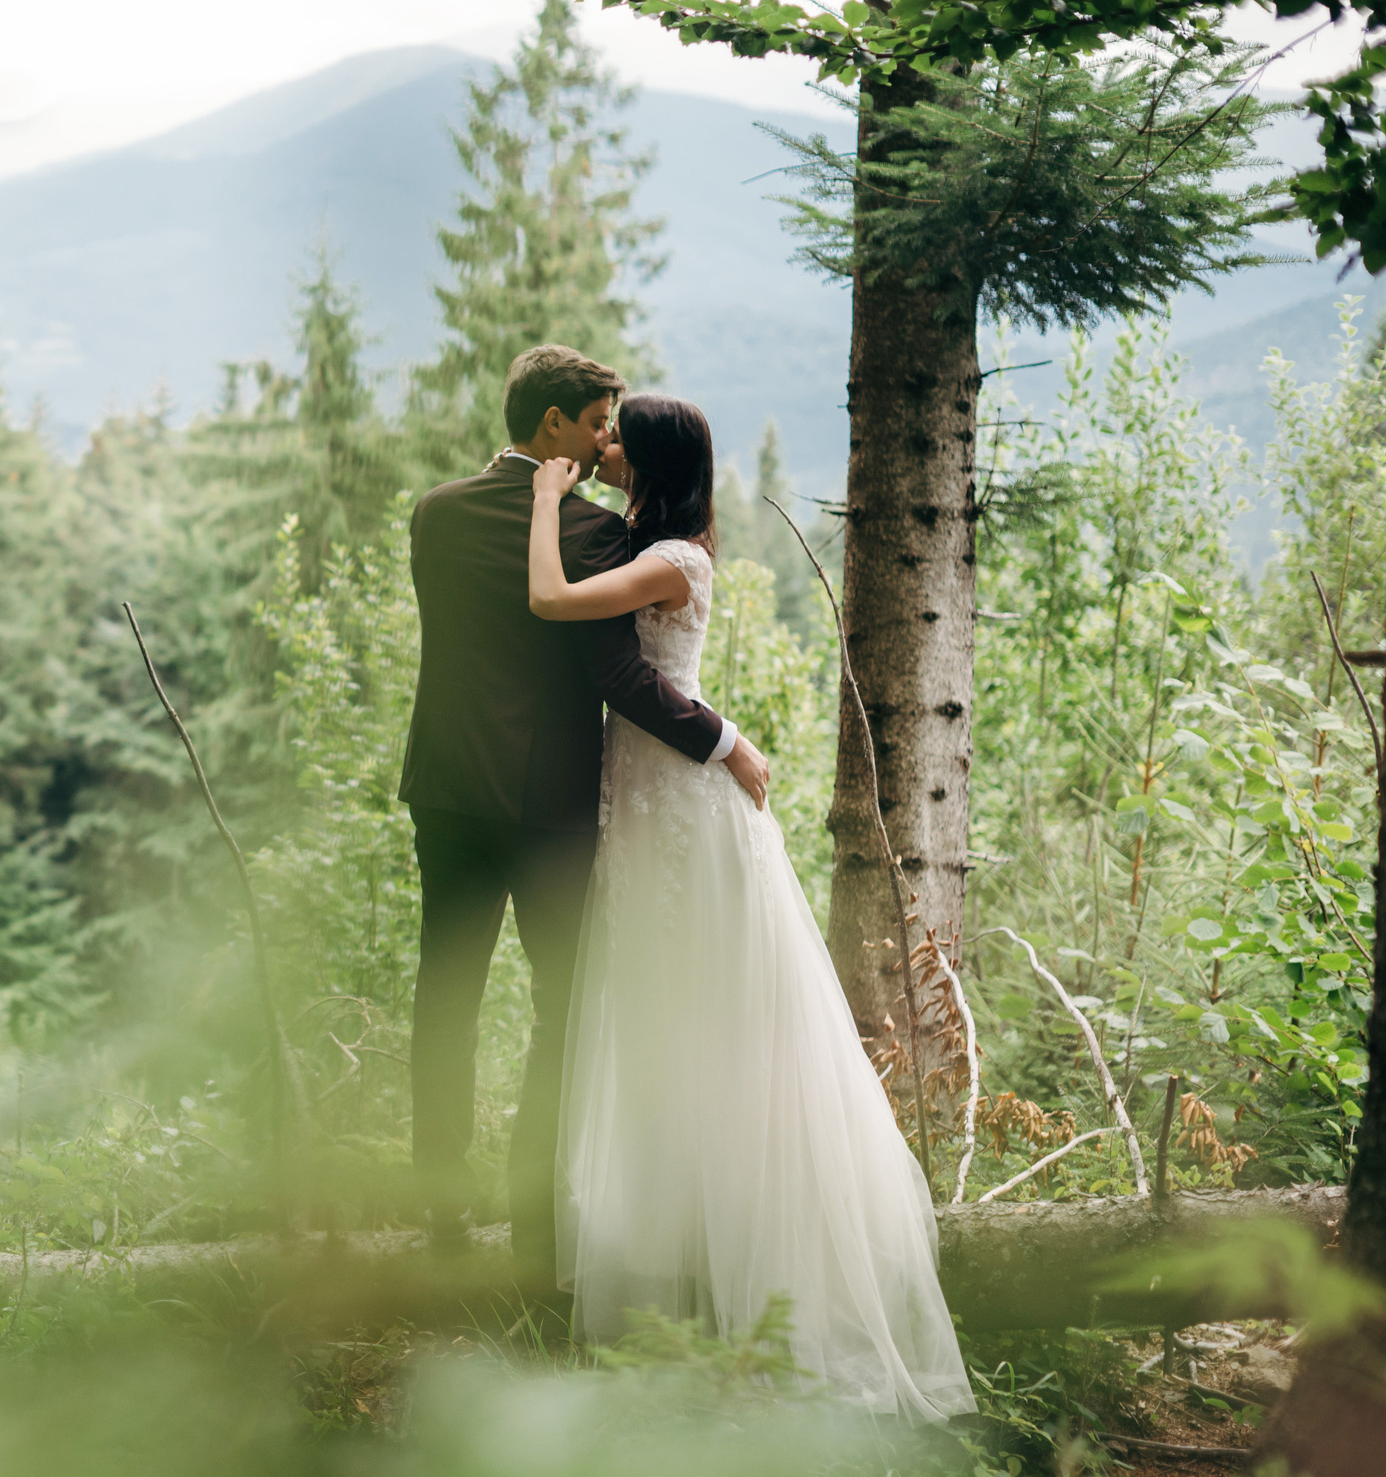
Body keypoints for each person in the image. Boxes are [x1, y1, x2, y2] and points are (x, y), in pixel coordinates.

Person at [524, 392, 972, 1422]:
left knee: (709, 1018)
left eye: (611, 440)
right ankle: (676, 1265)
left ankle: (750, 1286)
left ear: (649, 459)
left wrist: (547, 495)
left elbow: (556, 608)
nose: (598, 448)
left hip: (683, 810)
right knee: (651, 1019)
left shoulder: (678, 557)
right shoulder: (643, 542)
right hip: (642, 802)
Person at [397, 346, 769, 1279]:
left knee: (446, 993)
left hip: (445, 787)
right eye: (598, 421)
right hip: (552, 803)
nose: (608, 438)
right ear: (555, 423)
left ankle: (441, 1214)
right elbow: (615, 675)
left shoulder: (435, 515)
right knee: (559, 1013)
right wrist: (723, 741)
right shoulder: (596, 536)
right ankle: (537, 1232)